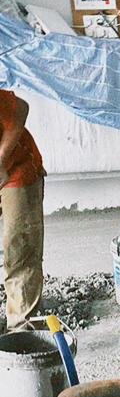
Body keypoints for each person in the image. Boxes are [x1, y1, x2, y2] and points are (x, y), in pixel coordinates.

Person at [0, 89, 44, 331]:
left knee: (20, 245)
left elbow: (21, 108)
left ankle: (20, 326)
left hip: (15, 168)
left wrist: (1, 159)